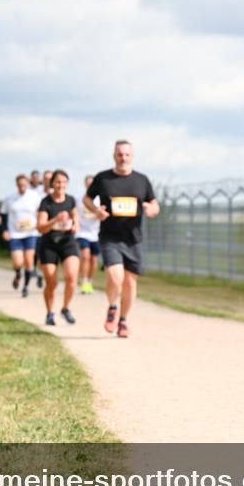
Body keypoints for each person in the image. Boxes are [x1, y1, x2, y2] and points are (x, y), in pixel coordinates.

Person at [84, 140, 160, 338]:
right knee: (115, 276)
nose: (123, 158)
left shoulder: (142, 180)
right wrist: (96, 210)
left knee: (130, 283)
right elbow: (87, 198)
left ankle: (124, 321)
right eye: (119, 154)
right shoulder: (103, 178)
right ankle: (112, 307)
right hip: (110, 236)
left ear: (132, 156)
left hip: (133, 239)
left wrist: (152, 210)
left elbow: (154, 203)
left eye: (126, 154)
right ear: (114, 156)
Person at [37, 169, 81, 325]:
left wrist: (75, 226)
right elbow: (40, 227)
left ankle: (66, 308)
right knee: (52, 281)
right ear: (52, 184)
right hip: (49, 243)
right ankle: (49, 312)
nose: (61, 185)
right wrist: (55, 219)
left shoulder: (71, 200)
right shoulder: (46, 203)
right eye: (57, 182)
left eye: (64, 182)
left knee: (71, 277)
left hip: (68, 242)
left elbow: (76, 220)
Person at [2, 174, 42, 297]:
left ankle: (26, 286)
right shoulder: (10, 198)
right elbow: (4, 215)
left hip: (31, 233)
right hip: (15, 234)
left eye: (24, 185)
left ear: (28, 184)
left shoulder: (35, 197)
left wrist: (39, 225)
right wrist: (5, 230)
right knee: (18, 262)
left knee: (29, 261)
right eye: (19, 185)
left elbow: (41, 212)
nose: (22, 187)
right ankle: (18, 273)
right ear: (16, 185)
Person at [76, 174, 101, 294]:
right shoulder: (79, 198)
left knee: (94, 260)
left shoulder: (99, 199)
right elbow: (74, 212)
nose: (90, 185)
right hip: (82, 232)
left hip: (95, 233)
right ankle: (84, 281)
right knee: (85, 256)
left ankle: (90, 282)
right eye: (88, 183)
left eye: (92, 183)